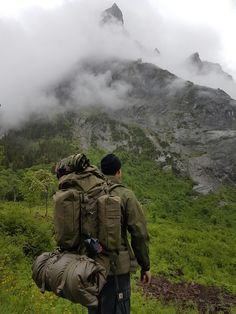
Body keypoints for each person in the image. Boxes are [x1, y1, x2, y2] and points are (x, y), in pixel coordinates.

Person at [88, 153, 151, 314]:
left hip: (93, 266)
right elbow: (139, 234)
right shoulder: (126, 195)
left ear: (102, 171)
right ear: (119, 172)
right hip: (116, 270)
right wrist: (145, 266)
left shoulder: (91, 193)